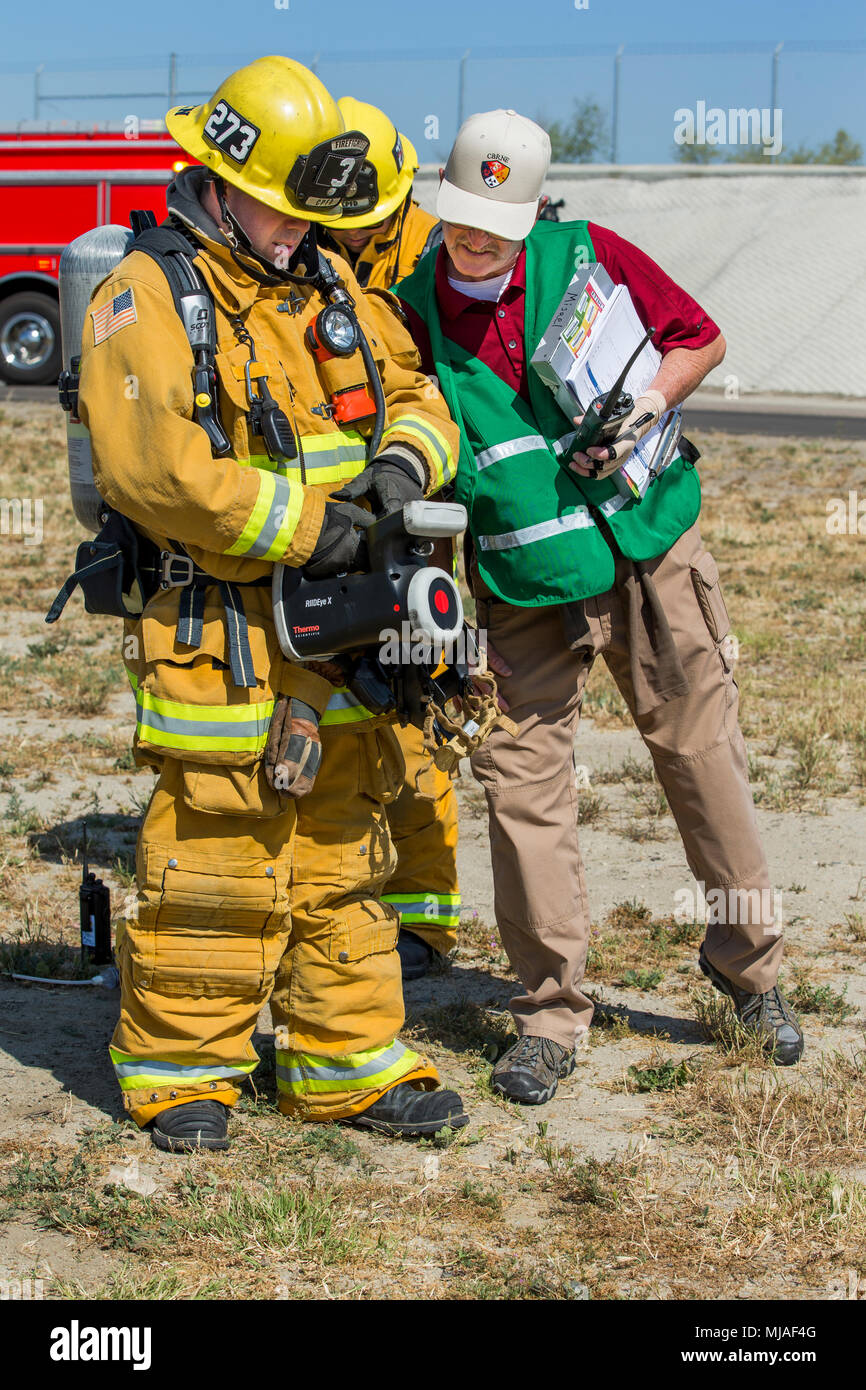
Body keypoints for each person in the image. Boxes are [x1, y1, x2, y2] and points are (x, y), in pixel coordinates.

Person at [77, 56, 465, 1152]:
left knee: (344, 839)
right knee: (216, 847)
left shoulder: (326, 285)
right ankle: (182, 1074)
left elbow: (419, 397)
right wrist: (314, 528)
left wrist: (396, 472)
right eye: (283, 215)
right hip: (222, 636)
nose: (302, 237)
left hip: (341, 631)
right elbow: (159, 473)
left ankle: (346, 1065)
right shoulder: (142, 294)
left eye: (312, 219)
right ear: (218, 176)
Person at [397, 108, 804, 1106]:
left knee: (702, 758)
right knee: (522, 787)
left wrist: (647, 404)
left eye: (495, 219)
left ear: (533, 209)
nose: (474, 238)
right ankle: (547, 1013)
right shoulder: (410, 312)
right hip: (521, 586)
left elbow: (695, 339)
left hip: (647, 547)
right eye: (459, 218)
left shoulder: (590, 256)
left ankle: (748, 969)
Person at [319, 97, 458, 981]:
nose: (359, 241)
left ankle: (426, 921)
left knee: (415, 719)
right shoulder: (317, 243)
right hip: (339, 518)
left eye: (376, 225)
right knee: (345, 705)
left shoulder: (442, 254)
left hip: (427, 506)